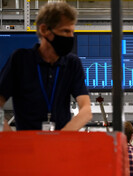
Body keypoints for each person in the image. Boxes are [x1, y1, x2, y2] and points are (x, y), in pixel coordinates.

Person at [0, 2, 92, 131]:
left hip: (60, 145)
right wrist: (10, 137)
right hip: (27, 146)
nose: (71, 37)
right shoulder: (20, 60)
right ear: (44, 30)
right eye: (65, 31)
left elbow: (86, 110)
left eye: (72, 32)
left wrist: (61, 138)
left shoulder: (72, 63)